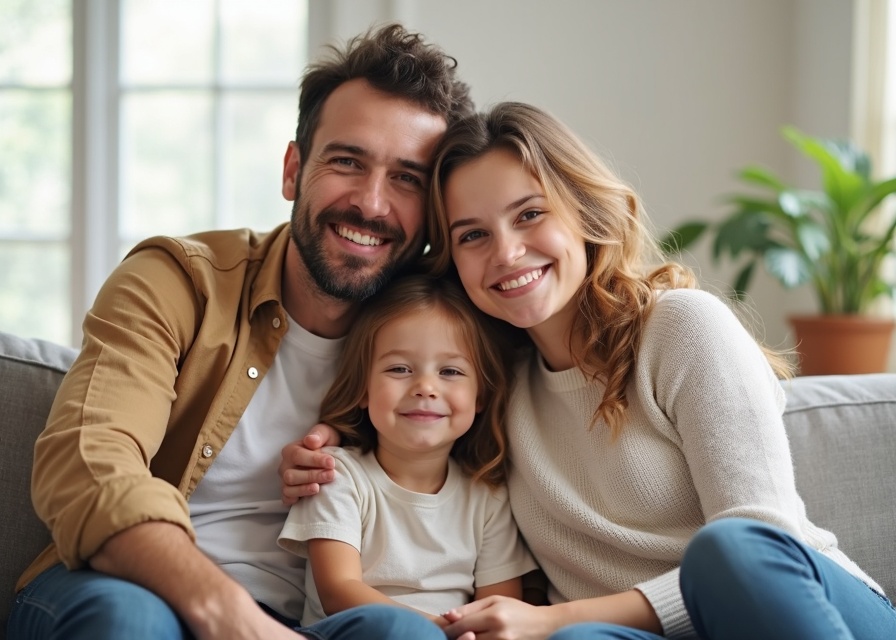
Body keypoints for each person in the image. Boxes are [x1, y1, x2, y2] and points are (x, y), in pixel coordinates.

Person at [282, 102, 896, 640]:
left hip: (795, 609)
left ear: (582, 211)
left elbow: (763, 541)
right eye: (472, 236)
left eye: (529, 214)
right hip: (621, 632)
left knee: (726, 551)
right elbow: (414, 390)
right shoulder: (499, 381)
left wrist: (552, 620)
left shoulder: (681, 327)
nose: (507, 253)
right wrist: (339, 433)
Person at [9, 23, 473, 640]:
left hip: (320, 617)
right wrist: (233, 616)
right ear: (293, 170)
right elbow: (89, 461)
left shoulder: (450, 335)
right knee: (130, 622)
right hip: (135, 586)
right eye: (347, 161)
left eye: (407, 178)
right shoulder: (177, 281)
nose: (370, 203)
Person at [277, 273, 537, 633]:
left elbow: (499, 608)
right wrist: (438, 630)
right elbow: (338, 590)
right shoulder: (337, 475)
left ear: (480, 396)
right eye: (399, 369)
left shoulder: (487, 498)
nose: (425, 387)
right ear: (363, 388)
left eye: (450, 371)